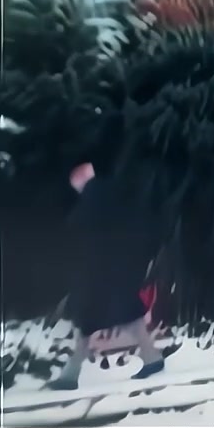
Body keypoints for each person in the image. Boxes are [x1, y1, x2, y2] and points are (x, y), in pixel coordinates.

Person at [50, 162, 165, 391]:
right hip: (117, 272)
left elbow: (78, 228)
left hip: (99, 276)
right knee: (127, 316)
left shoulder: (92, 201)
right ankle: (152, 358)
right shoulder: (113, 196)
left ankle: (70, 375)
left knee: (89, 322)